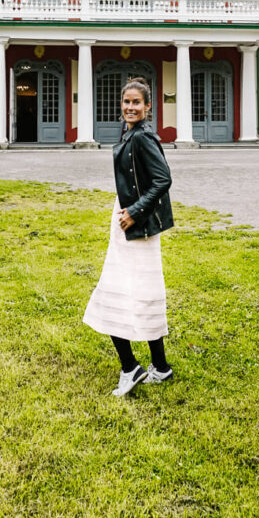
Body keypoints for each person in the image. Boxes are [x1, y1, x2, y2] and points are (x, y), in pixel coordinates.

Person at [83, 77, 175, 396]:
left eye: (137, 102)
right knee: (144, 290)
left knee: (113, 292)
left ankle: (130, 367)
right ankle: (160, 367)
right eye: (126, 102)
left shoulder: (143, 137)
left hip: (134, 221)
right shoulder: (132, 133)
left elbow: (163, 179)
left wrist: (134, 211)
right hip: (130, 221)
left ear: (148, 107)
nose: (130, 107)